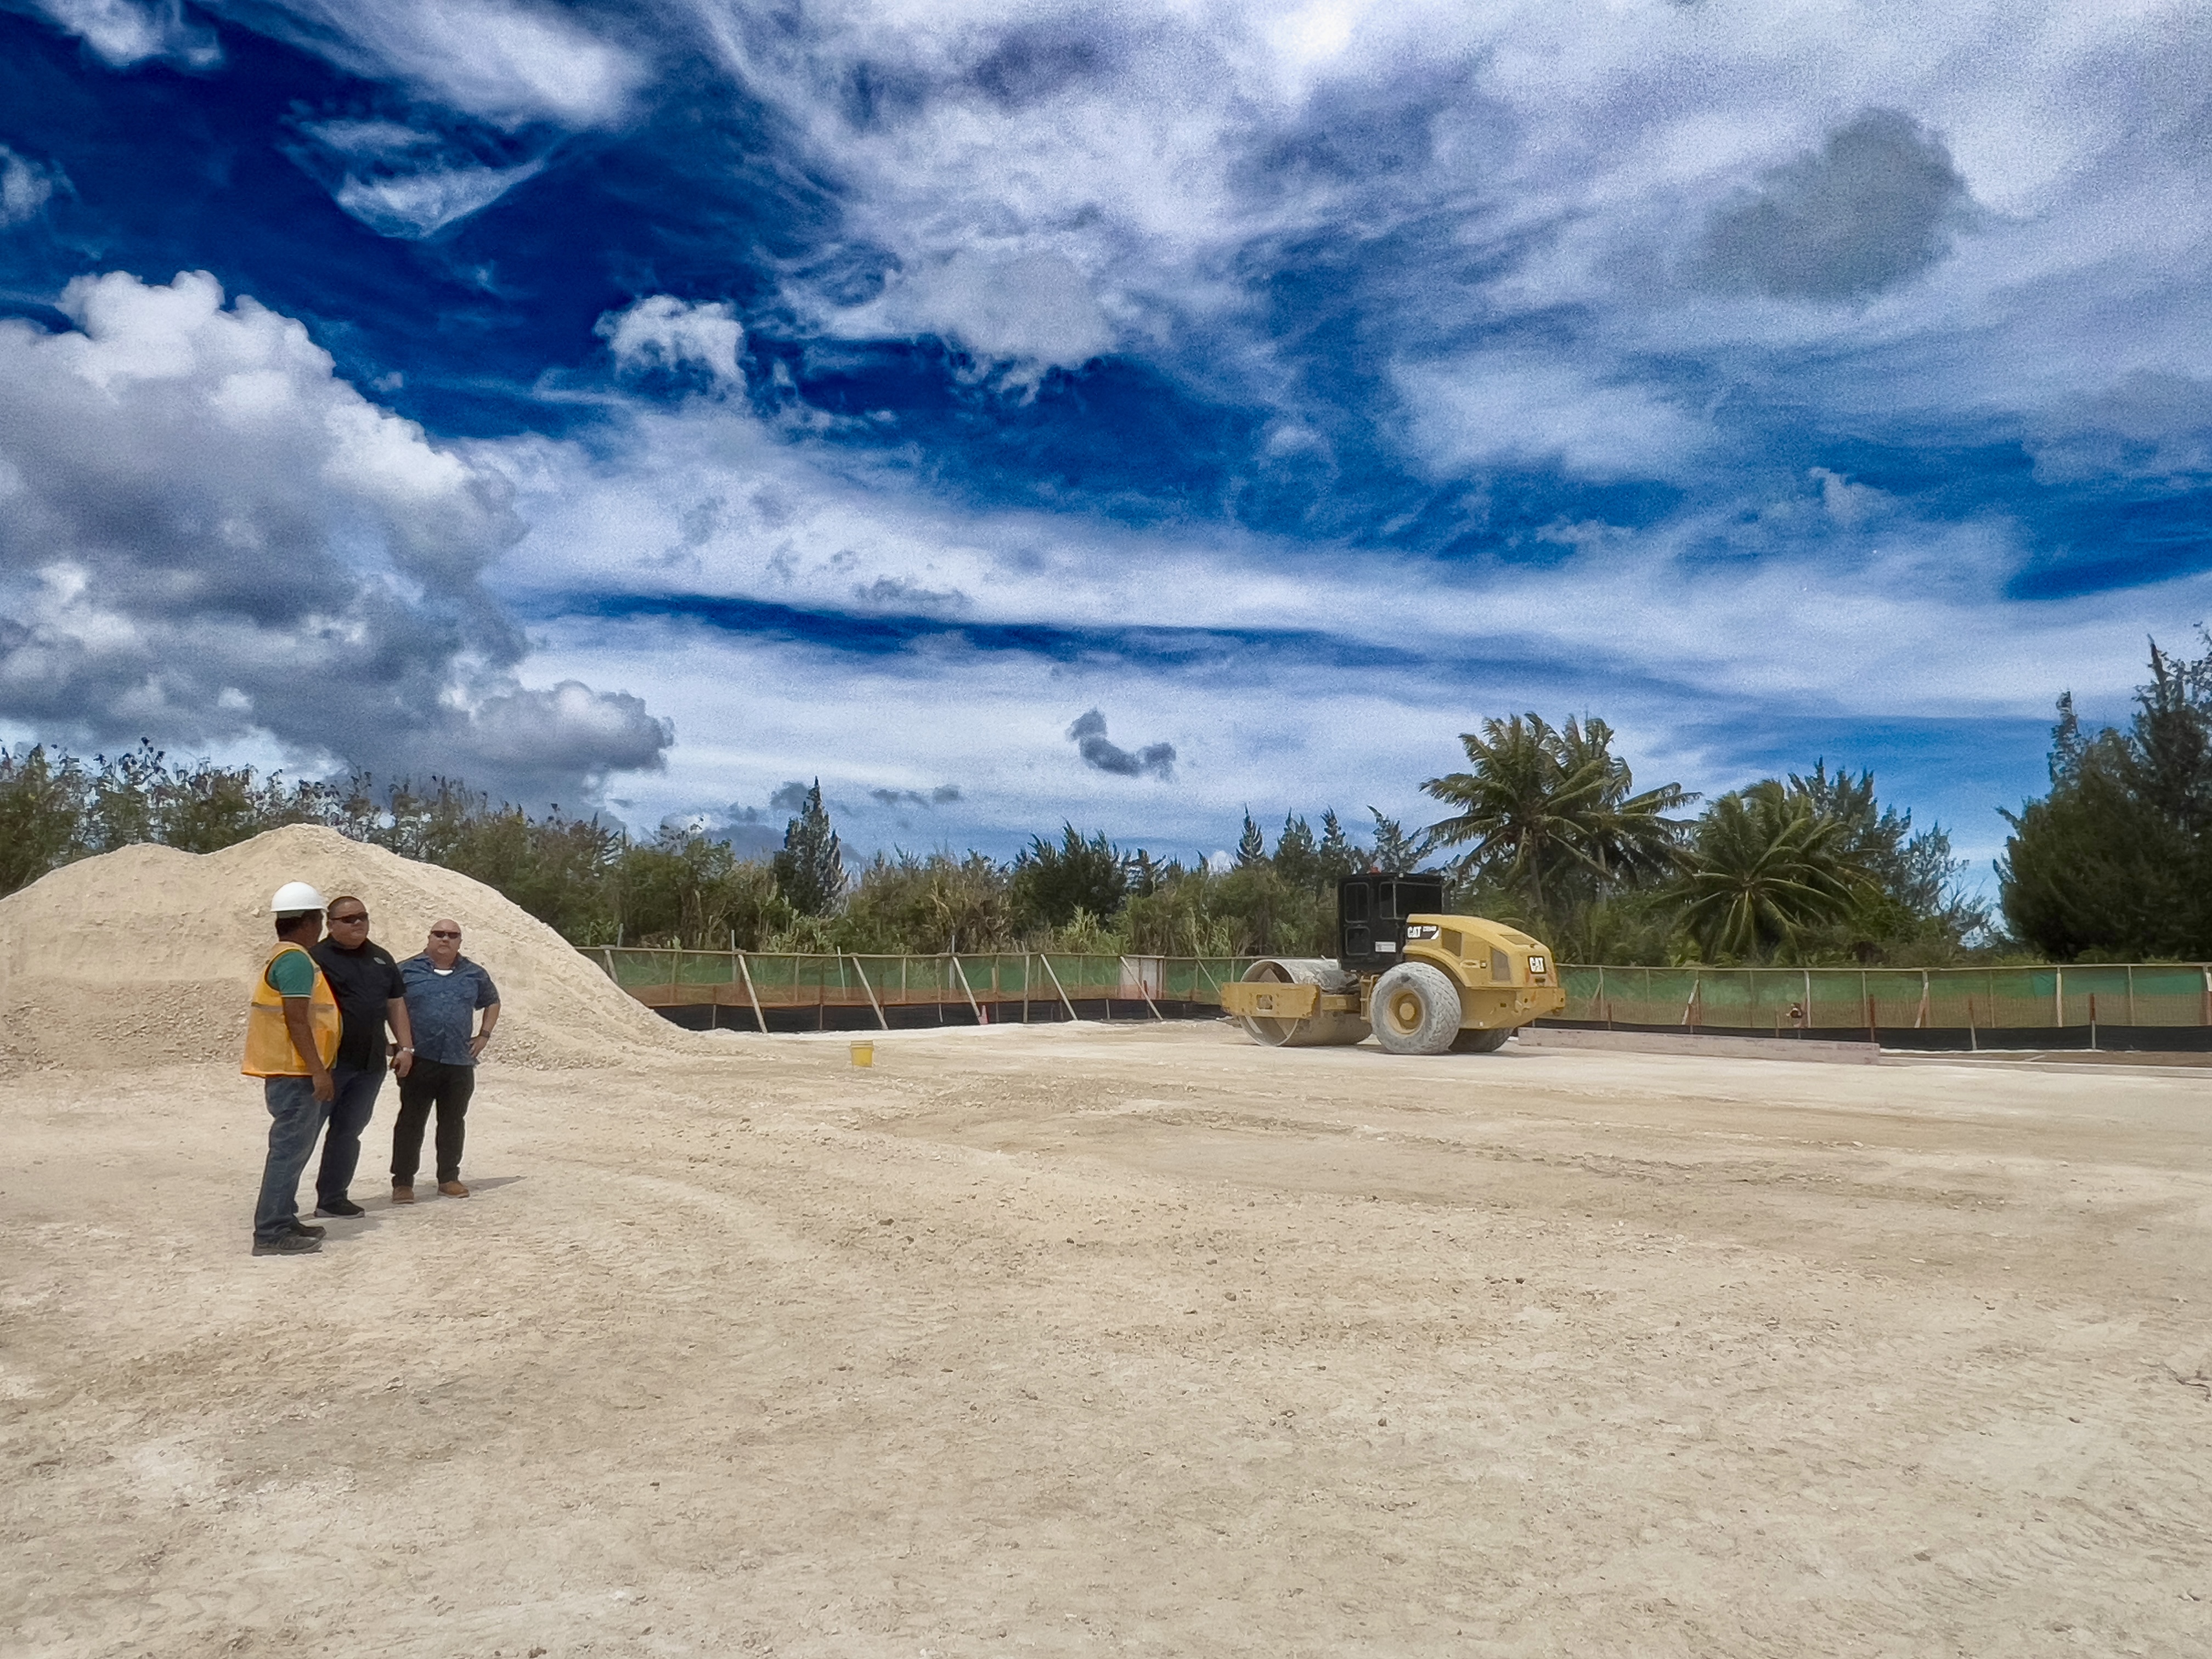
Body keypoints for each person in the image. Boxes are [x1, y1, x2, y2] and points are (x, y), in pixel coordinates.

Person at [242, 881, 342, 1256]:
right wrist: (319, 1070)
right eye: (319, 919)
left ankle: (283, 1218)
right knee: (288, 1151)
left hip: (288, 1070)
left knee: (292, 1151)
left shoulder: (281, 956)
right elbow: (297, 1020)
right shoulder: (297, 960)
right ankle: (270, 1233)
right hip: (296, 1072)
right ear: (310, 921)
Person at [307, 895, 415, 1217]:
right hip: (328, 1063)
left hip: (369, 1065)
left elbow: (395, 1003)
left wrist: (406, 1047)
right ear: (331, 925)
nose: (358, 923)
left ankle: (332, 1198)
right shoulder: (315, 959)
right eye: (349, 918)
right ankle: (281, 1206)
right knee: (303, 1135)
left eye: (363, 917)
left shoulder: (381, 959)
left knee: (348, 1132)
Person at [392, 918, 500, 1202]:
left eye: (452, 935)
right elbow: (390, 1005)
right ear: (429, 938)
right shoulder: (406, 971)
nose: (445, 939)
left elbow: (492, 1000)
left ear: (460, 942)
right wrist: (399, 1047)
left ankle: (449, 1177)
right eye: (439, 934)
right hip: (419, 1059)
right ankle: (403, 1182)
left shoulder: (474, 974)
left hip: (458, 1061)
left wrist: (484, 1035)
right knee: (411, 1121)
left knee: (453, 1121)